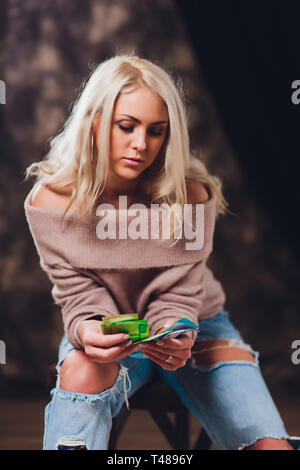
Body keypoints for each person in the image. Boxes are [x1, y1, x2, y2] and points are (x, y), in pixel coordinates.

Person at [24, 54, 298, 450]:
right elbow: (77, 292)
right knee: (83, 370)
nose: (141, 144)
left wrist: (177, 329)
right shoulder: (50, 201)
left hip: (196, 327)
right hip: (106, 333)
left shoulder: (191, 194)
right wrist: (88, 329)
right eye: (127, 126)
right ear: (96, 120)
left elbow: (181, 290)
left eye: (157, 130)